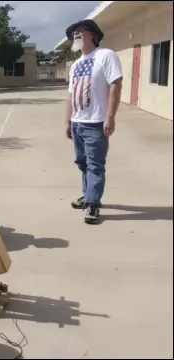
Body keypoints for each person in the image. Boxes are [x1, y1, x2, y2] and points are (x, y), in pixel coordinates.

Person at [64, 19, 123, 224]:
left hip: (96, 123)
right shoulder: (76, 65)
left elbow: (115, 85)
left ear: (93, 35)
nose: (76, 34)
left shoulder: (106, 55)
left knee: (95, 165)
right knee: (82, 163)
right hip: (77, 122)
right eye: (74, 32)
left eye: (81, 30)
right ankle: (89, 195)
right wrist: (67, 122)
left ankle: (93, 204)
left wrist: (110, 116)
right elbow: (70, 96)